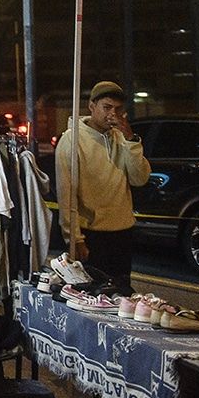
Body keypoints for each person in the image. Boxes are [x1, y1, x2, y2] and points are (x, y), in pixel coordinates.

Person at [55, 80, 151, 292]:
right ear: (92, 106)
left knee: (122, 293)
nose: (113, 114)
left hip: (123, 230)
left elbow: (140, 178)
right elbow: (66, 194)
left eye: (118, 109)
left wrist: (131, 140)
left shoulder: (121, 138)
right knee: (92, 294)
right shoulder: (71, 141)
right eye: (107, 107)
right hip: (92, 234)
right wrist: (74, 238)